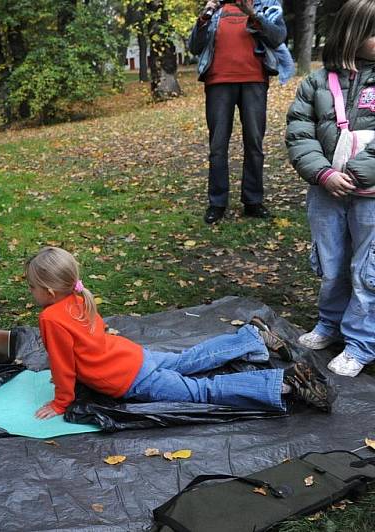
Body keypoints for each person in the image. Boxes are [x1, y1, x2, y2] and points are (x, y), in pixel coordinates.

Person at [24, 247, 334, 420]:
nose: (31, 292)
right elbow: (87, 343)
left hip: (129, 378)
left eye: (32, 287)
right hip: (135, 356)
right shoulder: (81, 297)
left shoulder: (51, 317)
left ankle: (285, 384)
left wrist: (61, 403)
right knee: (188, 358)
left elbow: (63, 365)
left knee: (201, 391)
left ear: (50, 291)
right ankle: (251, 338)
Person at [285, 0, 375, 378]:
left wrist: (358, 172)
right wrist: (322, 174)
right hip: (326, 193)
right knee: (332, 263)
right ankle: (330, 323)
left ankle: (361, 342)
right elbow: (299, 133)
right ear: (352, 34)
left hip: (370, 196)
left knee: (368, 269)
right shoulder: (316, 83)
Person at [188, 0, 288, 224]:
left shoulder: (266, 5)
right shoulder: (215, 9)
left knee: (254, 143)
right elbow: (194, 46)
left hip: (254, 81)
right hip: (218, 82)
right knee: (217, 146)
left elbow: (277, 37)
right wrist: (204, 16)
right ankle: (217, 203)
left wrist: (253, 14)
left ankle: (253, 201)